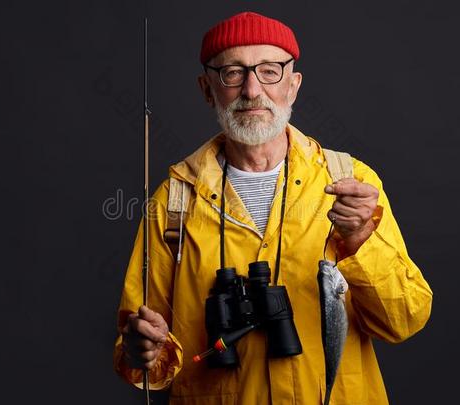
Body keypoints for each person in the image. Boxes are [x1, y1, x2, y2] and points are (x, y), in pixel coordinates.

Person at [113, 11, 432, 405]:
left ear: (293, 86)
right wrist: (143, 349)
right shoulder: (173, 201)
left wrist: (361, 243)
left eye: (269, 71)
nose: (252, 90)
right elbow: (141, 351)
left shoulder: (352, 182)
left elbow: (404, 320)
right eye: (232, 72)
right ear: (207, 88)